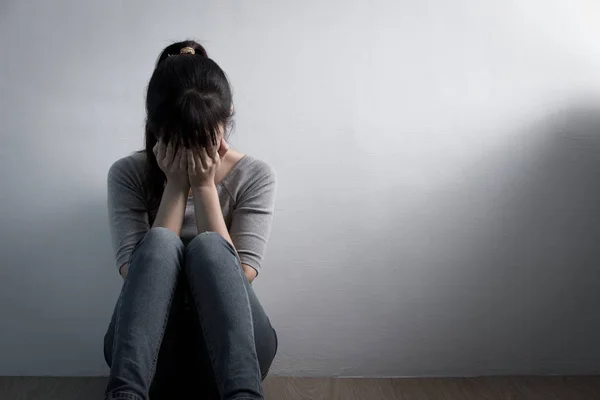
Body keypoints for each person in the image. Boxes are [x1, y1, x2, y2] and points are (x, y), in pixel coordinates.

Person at [103, 40, 278, 400]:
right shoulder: (127, 173)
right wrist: (176, 185)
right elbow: (133, 273)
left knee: (212, 247)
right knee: (161, 243)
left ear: (225, 115)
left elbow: (241, 273)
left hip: (234, 351)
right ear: (155, 126)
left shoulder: (255, 175)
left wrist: (203, 186)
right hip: (149, 355)